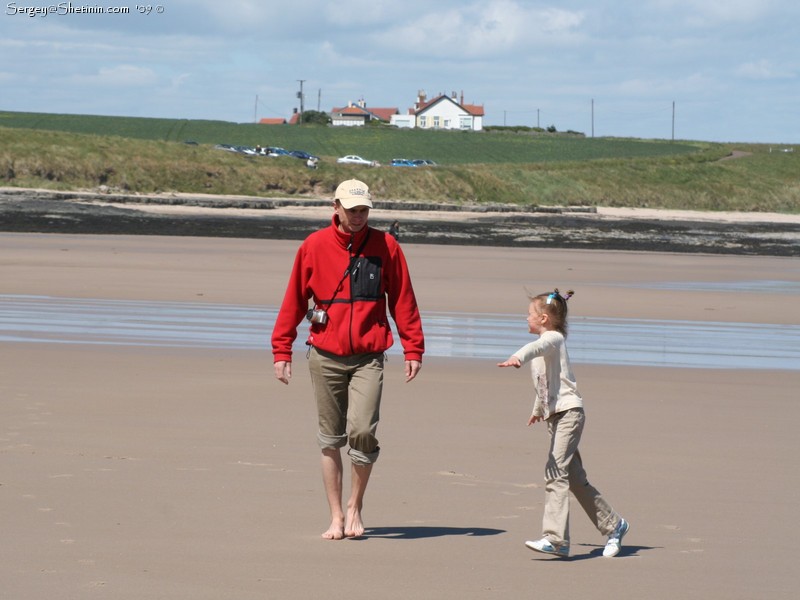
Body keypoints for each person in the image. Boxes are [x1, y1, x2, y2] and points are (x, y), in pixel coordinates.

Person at [271, 179, 425, 540]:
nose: (358, 216)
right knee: (330, 438)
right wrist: (282, 349)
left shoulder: (386, 246)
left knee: (362, 431)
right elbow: (293, 300)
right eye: (352, 209)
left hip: (369, 356)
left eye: (364, 210)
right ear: (335, 206)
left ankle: (356, 504)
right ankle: (336, 515)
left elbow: (403, 299)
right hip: (324, 355)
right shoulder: (313, 246)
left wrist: (413, 347)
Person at [497, 289, 629, 558]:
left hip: (570, 413)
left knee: (555, 472)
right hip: (557, 416)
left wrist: (518, 357)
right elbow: (546, 385)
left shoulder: (553, 339)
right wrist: (538, 409)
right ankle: (614, 525)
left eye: (530, 314)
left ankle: (556, 539)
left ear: (543, 318)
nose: (526, 318)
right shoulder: (547, 347)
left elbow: (536, 347)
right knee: (575, 479)